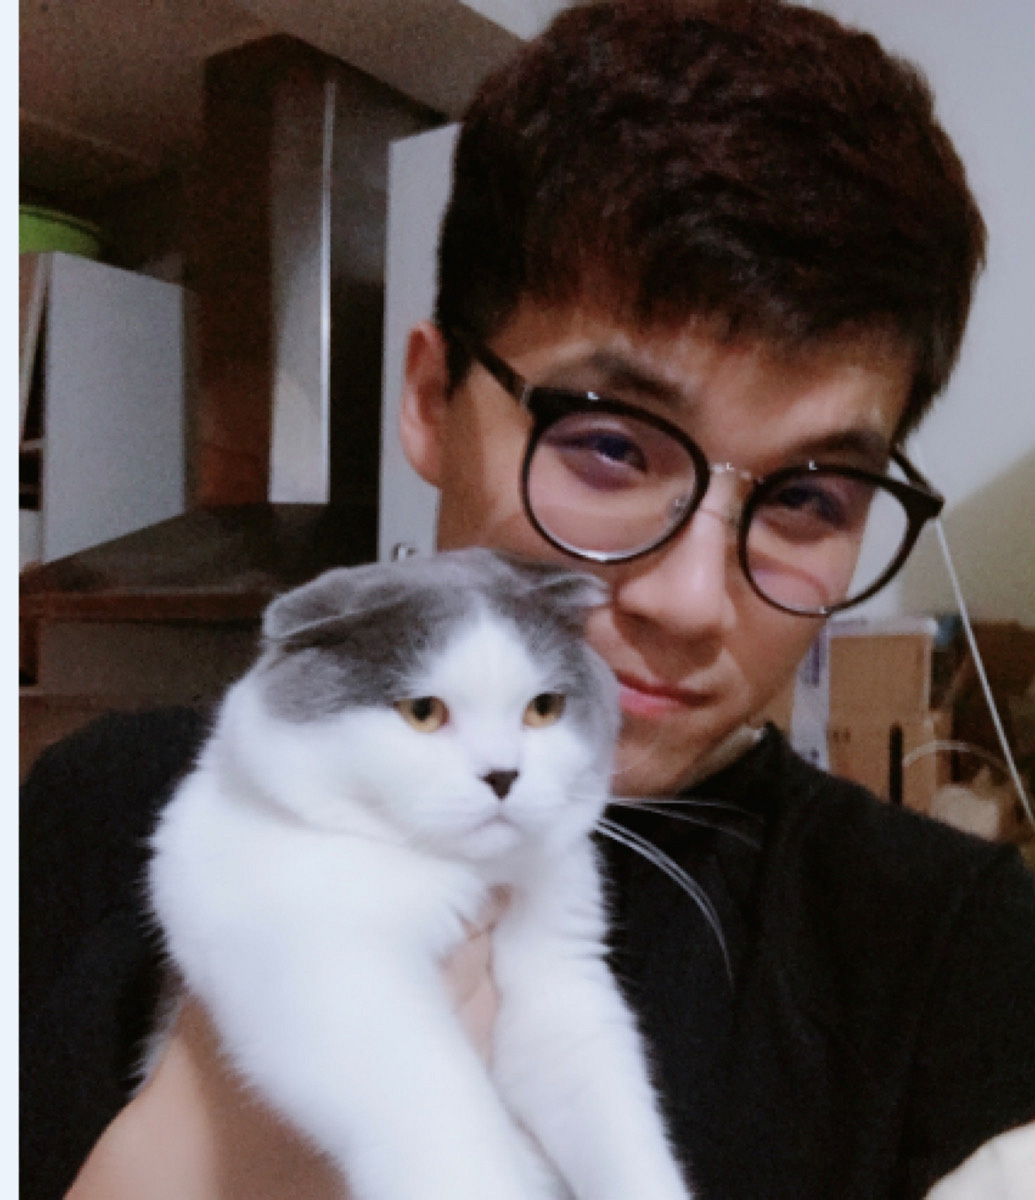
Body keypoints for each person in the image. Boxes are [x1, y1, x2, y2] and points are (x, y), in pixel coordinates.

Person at [21, 2, 1035, 1198]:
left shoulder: (952, 948)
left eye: (811, 497)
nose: (691, 603)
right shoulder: (108, 808)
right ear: (430, 399)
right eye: (608, 446)